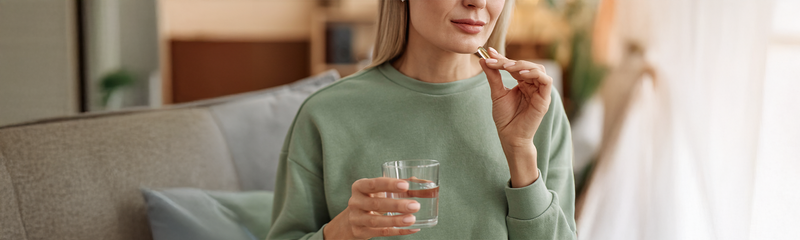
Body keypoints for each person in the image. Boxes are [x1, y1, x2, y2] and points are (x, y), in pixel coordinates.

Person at [267, 0, 576, 239]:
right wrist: (342, 230)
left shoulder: (535, 105)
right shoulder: (325, 113)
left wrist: (520, 150)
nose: (478, 2)